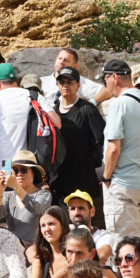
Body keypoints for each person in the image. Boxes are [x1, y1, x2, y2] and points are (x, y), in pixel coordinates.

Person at [100, 58, 140, 239]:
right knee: (134, 240)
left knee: (122, 245)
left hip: (124, 184)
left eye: (105, 80)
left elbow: (113, 148)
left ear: (114, 77)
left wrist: (106, 177)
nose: (106, 85)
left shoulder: (120, 103)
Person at [49, 58, 104, 215]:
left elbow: (100, 140)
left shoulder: (87, 110)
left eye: (70, 82)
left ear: (77, 85)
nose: (66, 85)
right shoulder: (53, 112)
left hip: (82, 180)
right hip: (60, 181)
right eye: (62, 82)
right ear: (57, 85)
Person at [0, 149, 52, 246]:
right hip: (13, 248)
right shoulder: (8, 195)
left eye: (24, 170)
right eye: (15, 170)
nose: (19, 174)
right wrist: (0, 191)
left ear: (34, 173)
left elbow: (36, 208)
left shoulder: (43, 194)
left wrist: (16, 187)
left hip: (36, 249)